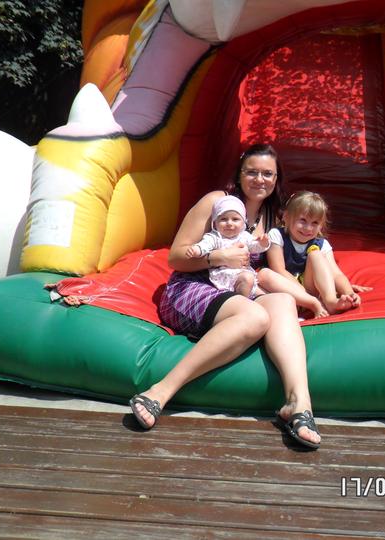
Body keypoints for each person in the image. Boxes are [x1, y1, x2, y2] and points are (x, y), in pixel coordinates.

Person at [129, 144, 321, 449]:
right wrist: (217, 257)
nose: (260, 179)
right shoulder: (216, 202)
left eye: (268, 174)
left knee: (283, 301)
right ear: (239, 174)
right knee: (256, 317)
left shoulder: (272, 216)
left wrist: (317, 294)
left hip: (237, 290)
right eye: (252, 172)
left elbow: (278, 269)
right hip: (192, 287)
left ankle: (298, 403)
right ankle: (161, 390)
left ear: (277, 179)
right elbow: (176, 258)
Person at [260, 190, 361, 316]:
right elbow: (278, 269)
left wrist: (349, 292)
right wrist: (302, 293)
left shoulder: (322, 244)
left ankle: (330, 301)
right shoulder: (276, 235)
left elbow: (336, 274)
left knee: (315, 254)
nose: (308, 228)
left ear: (321, 226)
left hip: (311, 289)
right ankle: (310, 303)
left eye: (315, 223)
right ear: (286, 217)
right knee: (264, 274)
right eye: (302, 220)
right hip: (287, 288)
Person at [186, 195, 270, 299]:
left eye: (235, 219)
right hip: (225, 274)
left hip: (243, 273)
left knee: (261, 291)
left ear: (243, 222)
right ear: (215, 223)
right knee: (248, 279)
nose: (229, 223)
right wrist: (196, 250)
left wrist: (263, 243)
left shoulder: (244, 236)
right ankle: (242, 302)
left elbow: (254, 247)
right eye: (223, 219)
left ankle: (252, 299)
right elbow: (205, 245)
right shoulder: (215, 237)